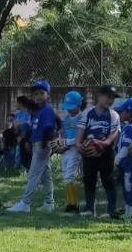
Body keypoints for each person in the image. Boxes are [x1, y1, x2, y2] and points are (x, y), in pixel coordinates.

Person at [8, 80, 58, 213]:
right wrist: (26, 133)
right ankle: (49, 202)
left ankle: (25, 203)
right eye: (36, 94)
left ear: (48, 95)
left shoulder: (47, 110)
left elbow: (48, 128)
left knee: (33, 174)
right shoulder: (39, 111)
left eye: (42, 93)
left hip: (42, 145)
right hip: (37, 144)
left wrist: (42, 144)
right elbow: (34, 128)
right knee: (46, 176)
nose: (39, 96)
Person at [76, 85, 122, 219]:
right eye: (108, 97)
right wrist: (79, 144)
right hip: (89, 152)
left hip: (105, 152)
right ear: (99, 96)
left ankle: (111, 210)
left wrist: (104, 143)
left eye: (113, 98)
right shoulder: (88, 112)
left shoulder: (113, 115)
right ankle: (90, 208)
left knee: (108, 180)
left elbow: (114, 133)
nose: (110, 100)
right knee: (89, 180)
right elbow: (81, 129)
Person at [59, 90, 84, 213]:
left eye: (71, 107)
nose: (68, 110)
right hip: (65, 150)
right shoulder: (66, 117)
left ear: (79, 105)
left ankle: (74, 204)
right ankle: (69, 203)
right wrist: (61, 142)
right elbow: (63, 132)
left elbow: (82, 137)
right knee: (65, 176)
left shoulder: (82, 117)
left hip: (75, 150)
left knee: (69, 176)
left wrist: (67, 143)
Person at [14, 95, 34, 170]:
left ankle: (25, 166)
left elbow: (28, 125)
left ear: (20, 103)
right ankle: (18, 166)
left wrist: (20, 124)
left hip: (26, 137)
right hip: (18, 136)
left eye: (17, 103)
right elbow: (15, 126)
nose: (16, 105)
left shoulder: (28, 114)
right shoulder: (18, 114)